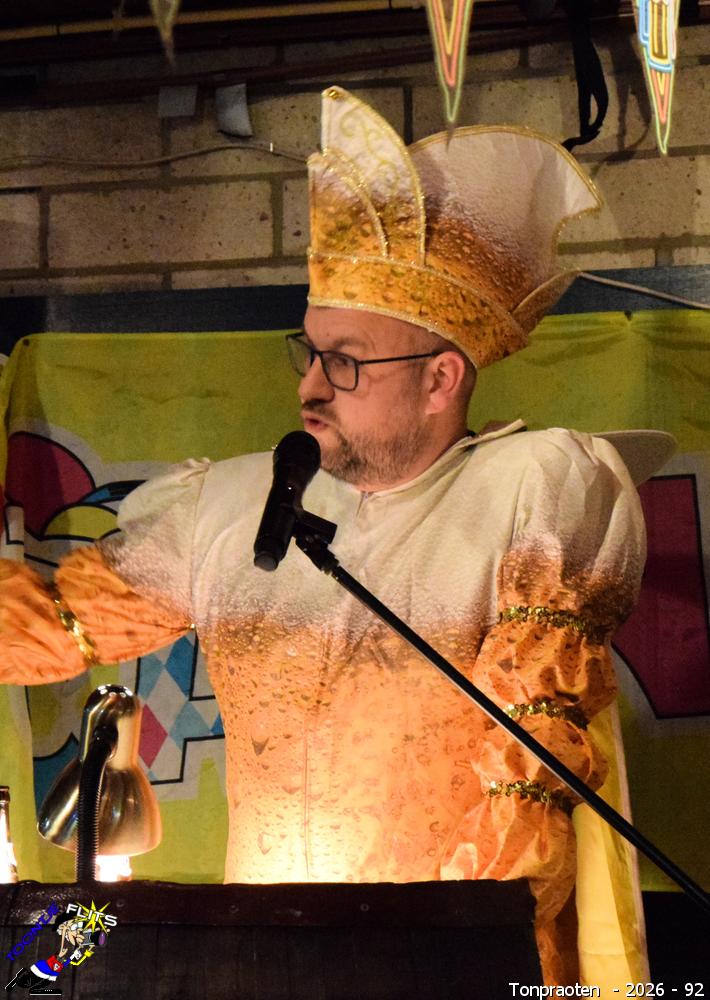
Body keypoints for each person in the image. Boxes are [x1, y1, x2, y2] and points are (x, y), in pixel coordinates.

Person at [0, 87, 666, 987]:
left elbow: (527, 777)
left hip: (444, 965)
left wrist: (435, 949)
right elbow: (56, 622)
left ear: (440, 381)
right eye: (309, 352)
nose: (310, 386)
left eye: (346, 361)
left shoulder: (533, 492)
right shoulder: (232, 504)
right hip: (260, 960)